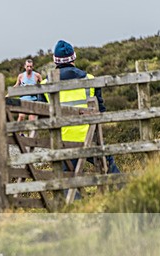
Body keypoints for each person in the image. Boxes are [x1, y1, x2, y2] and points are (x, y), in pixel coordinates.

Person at [47, 40, 120, 199]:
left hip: (62, 141)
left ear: (55, 61)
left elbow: (42, 114)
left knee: (67, 177)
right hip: (90, 137)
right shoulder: (90, 79)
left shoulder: (46, 84)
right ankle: (124, 197)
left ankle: (76, 206)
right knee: (108, 164)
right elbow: (101, 110)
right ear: (74, 57)